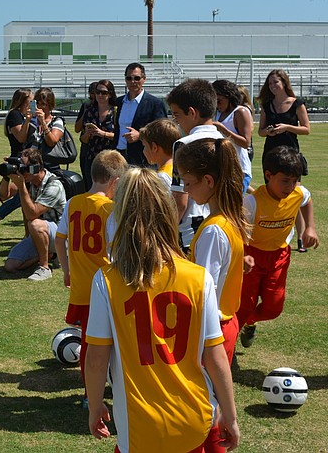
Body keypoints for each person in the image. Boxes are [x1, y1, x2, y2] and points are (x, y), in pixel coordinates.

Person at [85, 167, 239, 453]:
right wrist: (230, 414)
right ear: (168, 213)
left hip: (139, 426)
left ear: (120, 216)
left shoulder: (107, 281)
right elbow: (216, 356)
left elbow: (96, 358)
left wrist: (94, 406)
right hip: (194, 418)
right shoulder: (197, 277)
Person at [54, 150, 127, 409]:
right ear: (115, 183)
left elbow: (59, 238)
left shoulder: (73, 202)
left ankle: (89, 394)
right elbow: (119, 251)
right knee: (118, 345)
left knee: (89, 343)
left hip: (83, 288)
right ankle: (116, 391)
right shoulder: (112, 209)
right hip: (108, 290)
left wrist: (66, 270)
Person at [176, 138, 251, 364]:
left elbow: (203, 288)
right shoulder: (226, 220)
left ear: (208, 180)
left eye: (188, 183)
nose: (186, 190)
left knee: (207, 397)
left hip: (211, 329)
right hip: (220, 325)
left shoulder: (213, 231)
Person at [237, 146, 319, 349]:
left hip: (279, 256)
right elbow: (236, 232)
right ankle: (224, 353)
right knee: (243, 306)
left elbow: (307, 199)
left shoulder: (298, 193)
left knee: (273, 308)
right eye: (284, 180)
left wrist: (310, 227)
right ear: (268, 175)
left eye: (294, 181)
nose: (290, 186)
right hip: (251, 258)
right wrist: (242, 254)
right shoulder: (252, 202)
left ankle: (249, 322)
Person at [166, 79, 224, 251]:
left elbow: (181, 201)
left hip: (191, 231)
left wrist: (165, 233)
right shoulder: (225, 142)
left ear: (192, 112)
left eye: (177, 115)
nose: (176, 121)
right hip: (223, 225)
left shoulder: (183, 144)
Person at [258, 69, 311, 251]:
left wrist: (287, 127)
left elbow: (306, 129)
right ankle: (277, 234)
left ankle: (301, 238)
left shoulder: (296, 104)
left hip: (290, 155)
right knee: (273, 194)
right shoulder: (267, 105)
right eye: (270, 83)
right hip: (271, 155)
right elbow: (260, 131)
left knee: (293, 195)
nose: (273, 86)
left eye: (276, 82)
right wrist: (270, 131)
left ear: (284, 83)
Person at [2, 148, 67, 281]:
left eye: (24, 168)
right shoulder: (29, 180)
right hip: (41, 234)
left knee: (35, 224)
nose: (21, 172)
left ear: (36, 167)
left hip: (61, 236)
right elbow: (4, 195)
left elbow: (32, 214)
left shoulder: (54, 185)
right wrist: (6, 177)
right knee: (11, 265)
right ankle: (52, 255)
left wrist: (21, 187)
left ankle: (44, 267)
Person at [0, 88, 32, 243]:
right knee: (21, 199)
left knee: (22, 198)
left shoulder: (20, 115)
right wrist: (27, 120)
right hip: (19, 160)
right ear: (23, 100)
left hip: (24, 159)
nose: (32, 103)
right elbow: (20, 137)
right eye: (30, 100)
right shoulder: (15, 115)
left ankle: (26, 234)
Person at [112, 62, 169, 166]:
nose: (133, 82)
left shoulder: (154, 103)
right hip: (119, 157)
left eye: (137, 78)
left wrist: (140, 136)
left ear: (144, 79)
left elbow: (163, 132)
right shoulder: (119, 102)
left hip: (141, 159)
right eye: (129, 78)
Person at [212, 79, 254, 193]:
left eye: (219, 101)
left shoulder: (240, 112)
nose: (217, 105)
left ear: (228, 96)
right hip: (223, 167)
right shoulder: (218, 113)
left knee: (234, 206)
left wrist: (222, 129)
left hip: (239, 169)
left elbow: (246, 142)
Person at [80, 79, 118, 190]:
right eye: (98, 92)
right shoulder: (89, 112)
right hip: (92, 158)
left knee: (110, 190)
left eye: (104, 92)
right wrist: (87, 133)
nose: (100, 95)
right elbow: (83, 139)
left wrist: (102, 133)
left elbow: (120, 136)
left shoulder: (116, 111)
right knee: (91, 189)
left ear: (110, 94)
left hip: (110, 158)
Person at [26, 87, 66, 173]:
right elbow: (21, 139)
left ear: (50, 105)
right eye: (38, 104)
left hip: (49, 167)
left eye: (44, 104)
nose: (40, 107)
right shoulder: (31, 121)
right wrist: (26, 121)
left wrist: (43, 122)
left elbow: (51, 142)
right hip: (31, 165)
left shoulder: (56, 121)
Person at [140, 118, 181, 192]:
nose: (143, 151)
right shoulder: (179, 168)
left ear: (154, 147)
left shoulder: (161, 178)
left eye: (144, 146)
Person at [74, 82, 98, 181]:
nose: (94, 101)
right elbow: (77, 129)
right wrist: (86, 113)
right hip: (86, 148)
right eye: (91, 98)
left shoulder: (107, 107)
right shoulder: (86, 105)